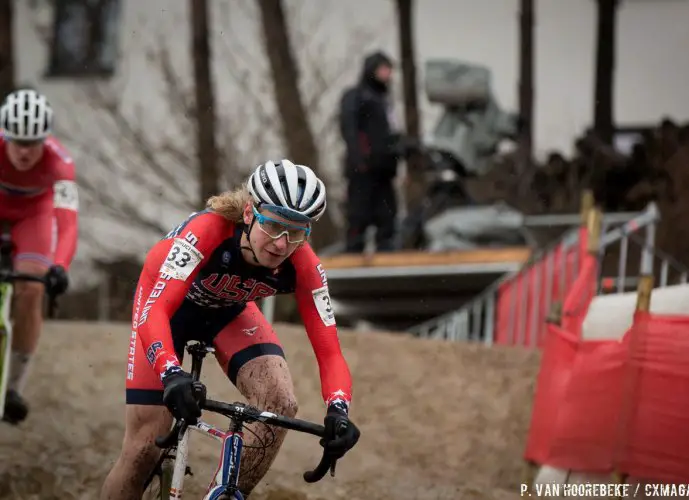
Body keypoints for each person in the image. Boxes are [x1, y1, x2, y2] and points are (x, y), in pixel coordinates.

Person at [100, 159, 360, 499]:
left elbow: (329, 351)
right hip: (166, 309)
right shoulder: (208, 231)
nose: (281, 244)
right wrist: (170, 372)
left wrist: (339, 410)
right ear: (250, 212)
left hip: (229, 311)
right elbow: (156, 312)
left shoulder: (304, 264)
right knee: (143, 448)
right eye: (273, 226)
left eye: (296, 231)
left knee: (279, 404)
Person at [0, 89, 77, 424]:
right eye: (18, 141)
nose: (25, 151)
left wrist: (60, 266)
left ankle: (13, 386)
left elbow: (67, 221)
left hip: (34, 215)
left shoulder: (61, 163)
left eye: (33, 143)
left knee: (31, 289)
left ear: (45, 139)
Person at [339, 50, 401, 253]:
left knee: (387, 218)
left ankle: (388, 258)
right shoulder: (356, 96)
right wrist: (359, 159)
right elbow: (349, 128)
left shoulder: (385, 101)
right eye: (383, 69)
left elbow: (389, 133)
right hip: (363, 170)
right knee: (358, 218)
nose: (387, 74)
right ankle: (353, 259)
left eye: (389, 70)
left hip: (384, 171)